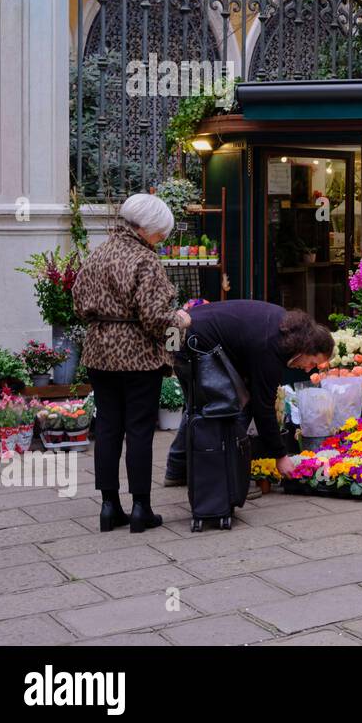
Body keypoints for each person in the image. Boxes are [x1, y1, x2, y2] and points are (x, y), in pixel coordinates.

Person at [72, 194, 192, 533]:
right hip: (137, 356)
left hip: (99, 352)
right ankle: (141, 508)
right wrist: (180, 322)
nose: (163, 240)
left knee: (108, 427)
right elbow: (156, 319)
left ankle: (109, 507)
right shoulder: (146, 261)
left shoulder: (98, 254)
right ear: (147, 229)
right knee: (139, 429)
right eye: (161, 233)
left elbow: (79, 304)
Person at [164, 301, 333, 486]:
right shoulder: (271, 347)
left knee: (200, 407)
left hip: (188, 334)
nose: (309, 370)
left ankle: (181, 470)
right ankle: (219, 478)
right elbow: (264, 407)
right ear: (305, 348)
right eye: (312, 362)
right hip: (191, 342)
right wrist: (280, 456)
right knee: (214, 409)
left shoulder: (286, 327)